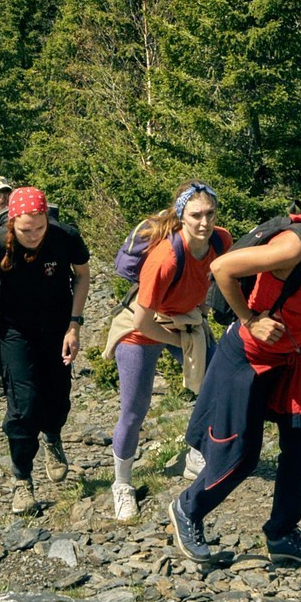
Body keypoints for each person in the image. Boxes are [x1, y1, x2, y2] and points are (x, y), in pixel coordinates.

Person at [170, 166, 301, 569]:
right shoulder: (296, 245)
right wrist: (250, 318)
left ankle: (281, 534)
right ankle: (188, 508)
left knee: (299, 449)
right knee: (240, 456)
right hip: (248, 359)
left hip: (292, 355)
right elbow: (222, 269)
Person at [104, 181, 230, 522]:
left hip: (184, 319)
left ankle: (195, 454)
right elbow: (143, 321)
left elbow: (216, 275)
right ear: (181, 216)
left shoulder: (221, 240)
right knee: (134, 408)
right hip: (141, 325)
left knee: (216, 388)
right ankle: (122, 484)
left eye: (210, 214)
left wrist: (201, 311)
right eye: (195, 215)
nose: (204, 223)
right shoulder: (164, 257)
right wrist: (181, 343)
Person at [0, 185, 92, 515]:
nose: (34, 235)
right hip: (12, 329)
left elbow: (82, 277)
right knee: (23, 402)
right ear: (12, 222)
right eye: (26, 229)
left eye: (40, 227)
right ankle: (22, 479)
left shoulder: (65, 237)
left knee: (57, 395)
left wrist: (74, 325)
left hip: (56, 324)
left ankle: (53, 436)